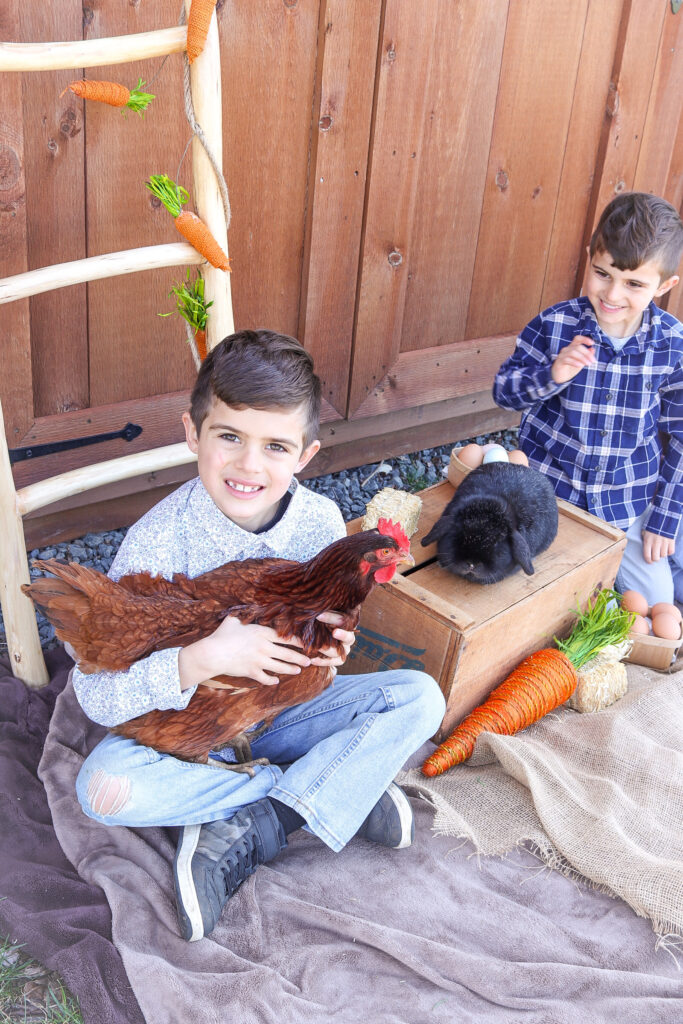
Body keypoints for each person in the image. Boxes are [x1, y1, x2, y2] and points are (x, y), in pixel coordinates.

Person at [71, 329, 446, 942]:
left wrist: (329, 656)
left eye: (275, 446)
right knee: (103, 789)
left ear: (305, 454)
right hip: (189, 738)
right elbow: (97, 695)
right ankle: (310, 797)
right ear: (193, 433)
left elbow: (319, 636)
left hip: (278, 715)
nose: (250, 465)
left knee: (420, 699)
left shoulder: (320, 522)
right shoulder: (159, 544)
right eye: (229, 437)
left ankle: (255, 811)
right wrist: (196, 660)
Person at [493, 192, 683, 607]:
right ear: (589, 258)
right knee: (528, 596)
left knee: (655, 605)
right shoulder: (555, 324)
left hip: (624, 503)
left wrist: (664, 522)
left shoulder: (673, 346)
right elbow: (504, 391)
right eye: (602, 273)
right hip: (550, 495)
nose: (612, 294)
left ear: (665, 285)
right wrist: (552, 375)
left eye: (634, 284)